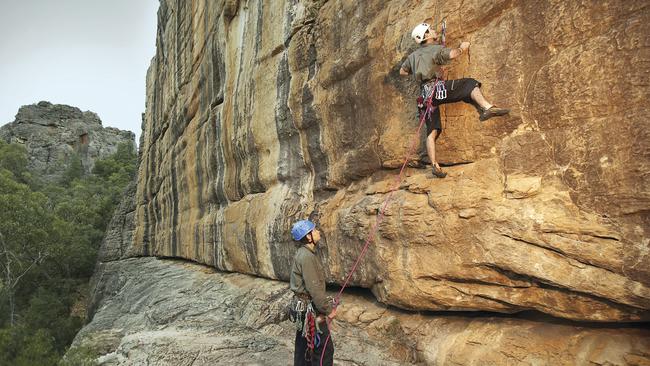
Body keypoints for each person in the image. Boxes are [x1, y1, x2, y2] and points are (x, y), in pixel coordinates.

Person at [399, 22, 510, 178]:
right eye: (430, 30)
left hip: (424, 97)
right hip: (437, 89)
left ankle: (434, 165)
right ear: (426, 36)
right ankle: (486, 107)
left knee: (431, 131)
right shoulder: (435, 49)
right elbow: (452, 55)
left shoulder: (412, 56)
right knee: (469, 83)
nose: (434, 30)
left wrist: (422, 70)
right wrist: (462, 47)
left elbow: (402, 71)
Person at [289, 219, 337, 366]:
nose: (318, 232)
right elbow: (314, 288)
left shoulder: (303, 254)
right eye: (314, 230)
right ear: (308, 237)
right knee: (324, 350)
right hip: (310, 310)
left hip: (302, 308)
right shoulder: (307, 257)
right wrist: (328, 310)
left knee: (303, 347)